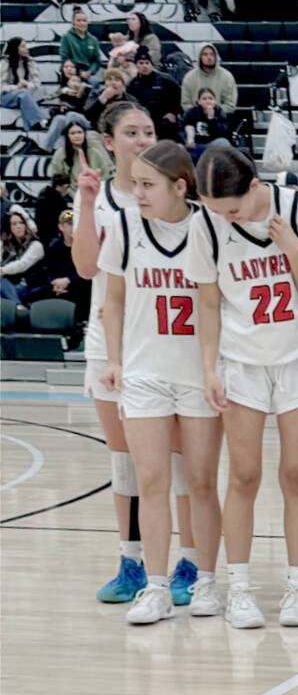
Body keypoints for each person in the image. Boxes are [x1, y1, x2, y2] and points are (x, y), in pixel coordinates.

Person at [187, 145, 298, 629]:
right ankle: (239, 588)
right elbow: (207, 303)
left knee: (295, 476)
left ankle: (297, 588)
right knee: (243, 476)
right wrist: (209, 367)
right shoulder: (206, 224)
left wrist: (292, 251)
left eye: (232, 209)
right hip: (242, 362)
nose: (226, 218)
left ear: (253, 187)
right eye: (215, 210)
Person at [72, 103, 193, 607]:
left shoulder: (176, 198)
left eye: (148, 129)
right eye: (130, 132)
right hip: (111, 346)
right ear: (109, 139)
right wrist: (83, 203)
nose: (142, 138)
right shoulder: (98, 198)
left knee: (181, 464)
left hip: (170, 343)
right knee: (126, 464)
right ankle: (131, 560)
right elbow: (84, 268)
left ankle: (188, 560)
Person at [97, 142, 223, 624]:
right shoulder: (126, 229)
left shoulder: (208, 228)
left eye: (147, 185)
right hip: (145, 374)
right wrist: (114, 360)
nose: (138, 193)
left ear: (180, 186)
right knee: (151, 482)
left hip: (198, 374)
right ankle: (155, 586)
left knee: (201, 483)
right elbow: (113, 301)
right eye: (133, 183)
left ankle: (206, 580)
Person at [28, 209, 89, 323]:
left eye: (76, 223)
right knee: (34, 294)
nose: (73, 227)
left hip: (78, 285)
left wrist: (68, 280)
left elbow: (87, 273)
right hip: (57, 285)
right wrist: (56, 283)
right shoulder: (54, 246)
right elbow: (49, 271)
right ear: (61, 227)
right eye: (70, 224)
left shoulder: (86, 246)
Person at [127, 48, 181, 143]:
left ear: (151, 64)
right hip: (143, 120)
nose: (144, 66)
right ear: (136, 65)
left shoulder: (166, 80)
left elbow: (177, 95)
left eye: (147, 63)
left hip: (164, 120)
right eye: (141, 63)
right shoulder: (132, 86)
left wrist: (173, 113)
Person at [0, 38, 48, 133]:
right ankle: (40, 120)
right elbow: (1, 86)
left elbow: (36, 83)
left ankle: (32, 126)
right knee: (23, 93)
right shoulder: (5, 63)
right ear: (15, 49)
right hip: (5, 97)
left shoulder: (30, 62)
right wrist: (16, 87)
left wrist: (27, 84)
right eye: (23, 46)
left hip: (23, 95)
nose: (27, 49)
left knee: (24, 94)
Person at [1, 209, 46, 306]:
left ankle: (18, 306)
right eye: (14, 224)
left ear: (26, 225)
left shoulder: (36, 245)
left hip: (29, 285)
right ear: (9, 228)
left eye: (21, 223)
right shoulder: (8, 245)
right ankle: (17, 308)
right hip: (10, 284)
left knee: (2, 283)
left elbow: (22, 264)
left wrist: (2, 270)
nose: (18, 226)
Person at [180, 44, 238, 114]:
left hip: (220, 121)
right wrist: (199, 113)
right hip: (195, 120)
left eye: (212, 54)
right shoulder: (189, 77)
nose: (209, 57)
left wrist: (214, 112)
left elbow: (230, 104)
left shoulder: (227, 77)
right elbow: (185, 103)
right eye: (205, 55)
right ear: (199, 57)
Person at [182, 88, 233, 161]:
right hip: (195, 146)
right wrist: (188, 140)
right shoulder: (191, 112)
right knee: (178, 147)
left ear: (215, 102)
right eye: (204, 99)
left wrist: (211, 119)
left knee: (223, 142)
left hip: (211, 146)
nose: (208, 101)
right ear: (199, 101)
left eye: (210, 99)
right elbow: (183, 127)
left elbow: (222, 133)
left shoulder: (219, 113)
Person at [59, 9, 103, 80]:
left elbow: (97, 61)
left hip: (88, 72)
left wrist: (90, 71)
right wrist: (78, 72)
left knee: (94, 81)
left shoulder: (93, 40)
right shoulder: (66, 37)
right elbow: (64, 58)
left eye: (84, 21)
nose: (82, 23)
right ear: (73, 23)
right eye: (79, 20)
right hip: (72, 71)